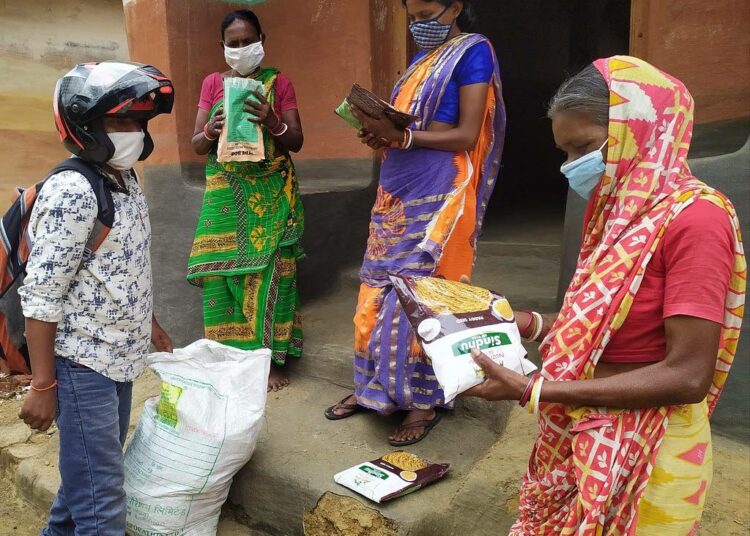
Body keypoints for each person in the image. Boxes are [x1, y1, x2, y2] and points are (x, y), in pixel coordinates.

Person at [465, 56, 746, 534]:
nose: (571, 167)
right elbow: (599, 319)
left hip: (648, 447)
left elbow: (688, 374)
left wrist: (536, 390)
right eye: (565, 152)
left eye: (584, 148)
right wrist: (527, 321)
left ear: (642, 132)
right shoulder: (618, 215)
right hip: (584, 425)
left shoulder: (696, 221)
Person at [325, 0, 506, 446]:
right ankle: (375, 390)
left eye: (428, 16)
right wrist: (380, 132)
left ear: (456, 7)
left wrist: (402, 136)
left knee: (424, 294)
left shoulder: (472, 51)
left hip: (440, 189)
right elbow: (404, 126)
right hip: (397, 188)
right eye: (414, 18)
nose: (419, 26)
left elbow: (465, 134)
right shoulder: (421, 61)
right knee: (375, 289)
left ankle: (423, 401)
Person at [17, 61, 175, 535]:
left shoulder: (123, 179)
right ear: (85, 127)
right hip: (81, 365)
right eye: (119, 122)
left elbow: (123, 266)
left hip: (119, 359)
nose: (132, 133)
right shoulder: (73, 190)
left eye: (137, 123)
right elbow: (41, 298)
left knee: (83, 485)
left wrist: (150, 322)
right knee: (102, 501)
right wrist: (43, 385)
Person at [188, 9, 304, 392]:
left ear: (261, 40)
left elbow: (296, 142)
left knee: (273, 271)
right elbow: (197, 144)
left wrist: (273, 122)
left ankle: (269, 360)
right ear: (222, 47)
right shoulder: (212, 84)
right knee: (221, 273)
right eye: (233, 44)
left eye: (247, 41)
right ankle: (231, 357)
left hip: (271, 189)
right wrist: (210, 128)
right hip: (226, 188)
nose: (241, 49)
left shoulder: (279, 83)